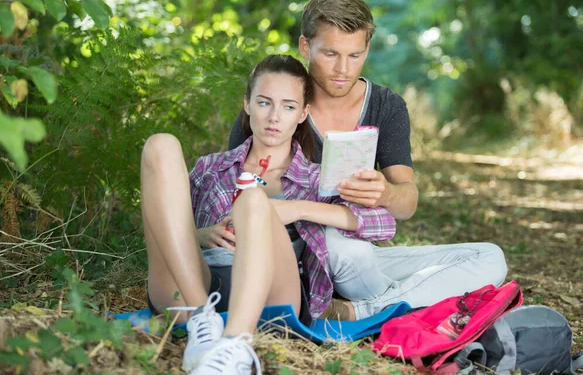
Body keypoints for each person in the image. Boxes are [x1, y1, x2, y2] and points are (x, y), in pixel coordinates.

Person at [229, 0, 508, 320]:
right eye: (330, 54)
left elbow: (407, 204)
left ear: (367, 49)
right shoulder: (275, 104)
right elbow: (231, 191)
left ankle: (361, 310)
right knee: (339, 246)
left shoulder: (386, 106)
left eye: (355, 55)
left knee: (489, 257)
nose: (342, 69)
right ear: (306, 47)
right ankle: (407, 303)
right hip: (291, 254)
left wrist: (386, 192)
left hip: (359, 257)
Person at [141, 55, 396, 374]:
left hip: (274, 296)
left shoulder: (318, 177)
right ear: (247, 104)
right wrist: (198, 235)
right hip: (199, 284)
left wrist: (295, 208)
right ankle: (203, 325)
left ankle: (235, 344)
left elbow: (383, 224)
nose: (274, 117)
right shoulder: (211, 168)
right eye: (264, 103)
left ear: (303, 114)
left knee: (252, 202)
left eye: (288, 106)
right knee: (160, 145)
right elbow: (162, 223)